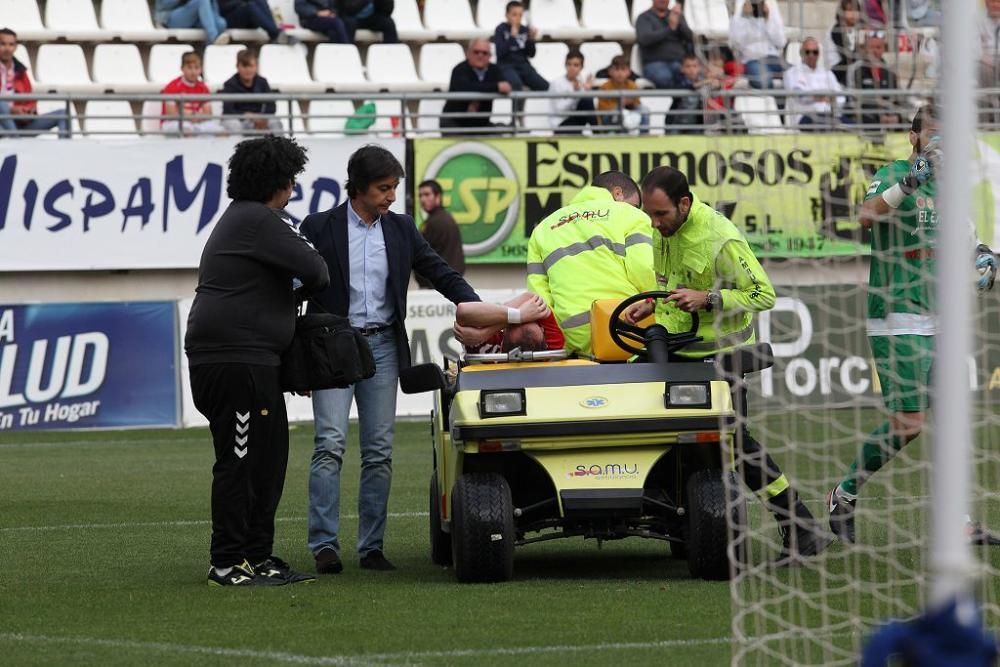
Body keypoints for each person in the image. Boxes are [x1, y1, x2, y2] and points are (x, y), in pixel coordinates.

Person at [623, 165, 830, 564]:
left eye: (660, 214)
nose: (653, 222)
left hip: (724, 355)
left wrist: (710, 299)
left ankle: (803, 527)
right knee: (674, 435)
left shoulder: (720, 237)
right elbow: (670, 282)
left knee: (736, 447)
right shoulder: (663, 228)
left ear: (684, 204)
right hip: (683, 349)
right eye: (649, 214)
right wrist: (653, 302)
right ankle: (687, 524)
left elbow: (763, 294)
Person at [300, 144, 480, 574]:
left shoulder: (401, 229)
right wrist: (297, 357)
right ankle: (324, 545)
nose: (391, 196)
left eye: (394, 187)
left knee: (379, 451)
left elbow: (440, 272)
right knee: (330, 444)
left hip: (381, 346)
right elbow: (295, 292)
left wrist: (475, 307)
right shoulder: (317, 227)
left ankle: (371, 548)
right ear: (358, 187)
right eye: (384, 188)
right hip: (331, 348)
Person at [827, 106, 1000, 546]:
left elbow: (964, 236)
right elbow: (865, 217)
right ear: (914, 137)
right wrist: (909, 182)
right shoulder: (894, 173)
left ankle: (957, 521)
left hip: (941, 315)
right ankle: (843, 495)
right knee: (909, 424)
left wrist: (983, 258)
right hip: (897, 312)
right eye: (933, 135)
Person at [186, 135, 330, 587]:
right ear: (281, 183)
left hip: (244, 358)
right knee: (243, 461)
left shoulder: (241, 219)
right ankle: (227, 563)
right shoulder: (262, 219)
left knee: (267, 460)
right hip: (237, 360)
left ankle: (257, 556)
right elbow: (318, 270)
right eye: (291, 181)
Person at [526, 171, 655, 357]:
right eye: (636, 205)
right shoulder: (631, 215)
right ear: (617, 193)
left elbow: (540, 299)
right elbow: (643, 269)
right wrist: (655, 304)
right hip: (630, 331)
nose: (636, 209)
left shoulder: (543, 229)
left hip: (573, 346)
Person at [0, 28, 69, 139]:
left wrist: (29, 111)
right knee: (1, 104)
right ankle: (17, 141)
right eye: (2, 44)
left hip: (20, 124)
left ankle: (66, 152)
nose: (7, 49)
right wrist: (11, 110)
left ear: (15, 47)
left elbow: (30, 100)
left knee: (63, 114)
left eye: (11, 44)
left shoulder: (21, 72)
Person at [441, 39, 512, 135]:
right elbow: (466, 87)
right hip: (455, 122)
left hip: (481, 123)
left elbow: (506, 85)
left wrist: (497, 87)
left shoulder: (494, 70)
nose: (480, 55)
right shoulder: (459, 70)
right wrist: (495, 87)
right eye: (476, 52)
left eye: (484, 53)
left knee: (502, 134)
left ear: (490, 56)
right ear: (468, 53)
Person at [454, 292, 563, 355]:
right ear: (543, 332)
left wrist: (484, 334)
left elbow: (463, 311)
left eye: (512, 324)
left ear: (504, 335)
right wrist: (518, 316)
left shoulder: (487, 347)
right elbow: (530, 298)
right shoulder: (553, 346)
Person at [782, 37, 845, 129]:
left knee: (853, 125)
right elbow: (800, 97)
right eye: (807, 52)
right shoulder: (791, 73)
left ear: (819, 54)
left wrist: (828, 99)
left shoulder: (828, 73)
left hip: (830, 115)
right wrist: (824, 97)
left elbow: (841, 97)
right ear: (801, 53)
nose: (811, 55)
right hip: (805, 117)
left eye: (815, 52)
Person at [414, 179, 465, 288]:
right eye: (420, 195)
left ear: (438, 197)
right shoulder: (443, 218)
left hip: (437, 287)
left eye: (427, 194)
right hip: (447, 284)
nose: (423, 199)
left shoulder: (435, 222)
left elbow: (424, 257)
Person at [845, 31, 901, 129]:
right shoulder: (855, 70)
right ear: (865, 49)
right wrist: (878, 116)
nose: (875, 51)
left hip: (889, 118)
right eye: (871, 47)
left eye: (878, 47)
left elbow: (898, 100)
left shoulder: (890, 72)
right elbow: (852, 100)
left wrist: (895, 117)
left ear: (883, 49)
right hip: (865, 117)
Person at [161, 51, 225, 136]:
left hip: (197, 122)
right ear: (182, 68)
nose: (193, 71)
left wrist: (195, 116)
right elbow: (171, 114)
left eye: (196, 68)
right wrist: (191, 116)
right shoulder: (172, 86)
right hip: (174, 123)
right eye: (189, 68)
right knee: (188, 130)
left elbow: (208, 114)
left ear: (201, 69)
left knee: (221, 132)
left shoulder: (203, 88)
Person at [493, 1, 548, 97]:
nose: (517, 18)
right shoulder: (500, 29)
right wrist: (512, 36)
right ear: (507, 15)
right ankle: (518, 111)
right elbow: (500, 53)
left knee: (545, 86)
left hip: (523, 65)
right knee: (516, 85)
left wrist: (531, 40)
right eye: (514, 15)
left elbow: (531, 54)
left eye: (520, 15)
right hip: (506, 66)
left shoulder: (524, 30)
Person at [635, 0, 694, 89]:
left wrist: (679, 23)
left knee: (694, 75)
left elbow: (691, 38)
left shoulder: (677, 16)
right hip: (654, 63)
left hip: (679, 63)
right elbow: (644, 39)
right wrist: (670, 28)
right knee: (665, 78)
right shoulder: (644, 17)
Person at [221, 49, 283, 134]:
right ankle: (238, 147)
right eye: (244, 66)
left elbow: (271, 106)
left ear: (256, 67)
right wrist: (247, 115)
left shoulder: (262, 82)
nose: (248, 70)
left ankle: (280, 147)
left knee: (275, 122)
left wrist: (263, 118)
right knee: (233, 125)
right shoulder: (230, 84)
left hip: (259, 119)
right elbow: (228, 110)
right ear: (237, 66)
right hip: (240, 120)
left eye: (251, 66)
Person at [729, 0, 786, 90]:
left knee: (798, 75)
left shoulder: (771, 8)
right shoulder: (740, 12)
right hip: (752, 60)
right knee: (764, 82)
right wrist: (744, 17)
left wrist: (768, 20)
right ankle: (778, 104)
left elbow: (781, 42)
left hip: (773, 58)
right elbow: (735, 44)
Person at [596, 55, 650, 134]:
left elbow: (637, 103)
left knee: (644, 110)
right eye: (617, 69)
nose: (620, 73)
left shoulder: (632, 85)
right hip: (610, 118)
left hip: (629, 113)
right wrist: (619, 105)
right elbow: (602, 110)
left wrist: (631, 103)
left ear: (629, 72)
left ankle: (643, 135)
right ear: (610, 71)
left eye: (623, 69)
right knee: (618, 113)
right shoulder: (605, 87)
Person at [548, 49, 597, 134]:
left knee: (587, 100)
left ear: (581, 67)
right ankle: (599, 133)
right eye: (569, 64)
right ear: (565, 65)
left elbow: (586, 105)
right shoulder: (557, 83)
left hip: (574, 120)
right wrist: (576, 93)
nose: (571, 68)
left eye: (576, 65)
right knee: (586, 100)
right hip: (560, 124)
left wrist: (587, 90)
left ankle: (598, 133)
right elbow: (560, 109)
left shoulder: (580, 82)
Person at [219, 0, 298, 44]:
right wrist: (242, 2)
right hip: (229, 20)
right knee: (250, 7)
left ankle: (275, 32)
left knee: (260, 1)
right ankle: (276, 34)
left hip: (247, 18)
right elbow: (222, 8)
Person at [823, 0, 862, 87]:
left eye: (856, 11)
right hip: (836, 72)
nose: (854, 14)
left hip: (850, 69)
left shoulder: (854, 30)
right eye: (850, 10)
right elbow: (848, 57)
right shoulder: (837, 30)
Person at [154, 0, 230, 44]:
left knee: (221, 24)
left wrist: (216, 19)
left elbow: (213, 7)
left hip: (197, 18)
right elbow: (163, 5)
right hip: (171, 18)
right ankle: (213, 38)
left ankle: (208, 51)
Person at [666, 53, 707, 133]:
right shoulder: (677, 79)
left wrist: (716, 83)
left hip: (696, 124)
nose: (692, 69)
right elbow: (685, 86)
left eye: (695, 66)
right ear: (682, 68)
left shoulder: (703, 80)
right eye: (688, 66)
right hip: (676, 123)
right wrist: (699, 84)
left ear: (699, 68)